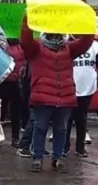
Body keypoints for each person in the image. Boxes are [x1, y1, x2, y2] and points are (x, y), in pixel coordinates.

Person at [20, 16, 93, 173]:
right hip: (43, 97)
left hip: (64, 97)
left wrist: (88, 23)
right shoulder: (37, 48)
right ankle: (37, 158)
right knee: (40, 128)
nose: (55, 34)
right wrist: (28, 20)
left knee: (61, 129)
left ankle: (57, 158)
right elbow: (25, 41)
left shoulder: (69, 48)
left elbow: (86, 42)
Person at [66, 35, 98, 159]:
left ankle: (80, 147)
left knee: (81, 118)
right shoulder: (66, 44)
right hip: (69, 87)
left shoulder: (96, 45)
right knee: (67, 118)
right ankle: (64, 147)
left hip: (87, 88)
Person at [5, 38, 27, 148]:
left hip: (16, 81)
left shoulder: (22, 46)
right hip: (4, 80)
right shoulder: (4, 45)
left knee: (15, 111)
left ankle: (15, 137)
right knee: (1, 110)